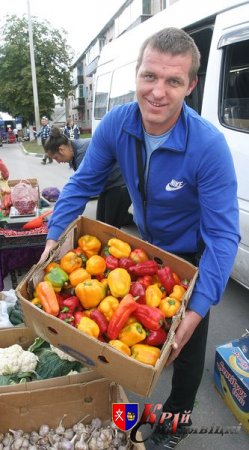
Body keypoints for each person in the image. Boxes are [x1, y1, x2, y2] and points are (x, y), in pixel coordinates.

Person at [40, 28, 240, 448]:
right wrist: (52, 239)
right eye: (150, 76)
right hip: (144, 246)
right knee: (136, 329)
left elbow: (223, 236)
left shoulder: (209, 146)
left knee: (186, 341)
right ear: (137, 74)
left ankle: (178, 418)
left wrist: (197, 308)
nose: (157, 92)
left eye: (173, 81)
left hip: (190, 252)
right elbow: (82, 185)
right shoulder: (117, 123)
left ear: (191, 85)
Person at [44, 127, 133, 228]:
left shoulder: (83, 152)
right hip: (107, 186)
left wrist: (64, 216)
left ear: (61, 149)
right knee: (100, 222)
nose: (58, 161)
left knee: (109, 229)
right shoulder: (73, 152)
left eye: (56, 157)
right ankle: (128, 218)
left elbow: (82, 191)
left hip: (120, 184)